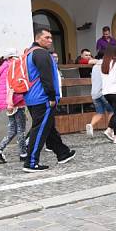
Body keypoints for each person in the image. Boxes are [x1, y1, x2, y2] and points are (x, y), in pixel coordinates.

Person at [23, 28, 76, 172]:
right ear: (38, 38)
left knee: (48, 127)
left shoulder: (28, 53)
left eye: (51, 38)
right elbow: (47, 78)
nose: (50, 40)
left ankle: (62, 153)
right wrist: (52, 97)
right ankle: (31, 162)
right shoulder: (41, 54)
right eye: (47, 37)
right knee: (40, 129)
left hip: (32, 97)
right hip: (43, 98)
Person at [0, 48, 27, 163]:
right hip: (15, 102)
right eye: (16, 57)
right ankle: (23, 154)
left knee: (13, 130)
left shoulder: (3, 67)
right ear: (11, 58)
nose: (18, 59)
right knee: (21, 129)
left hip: (9, 103)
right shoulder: (11, 67)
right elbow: (10, 86)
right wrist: (11, 102)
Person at [85, 51, 113, 138]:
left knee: (99, 112)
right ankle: (110, 130)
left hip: (94, 92)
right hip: (104, 92)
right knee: (112, 111)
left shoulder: (94, 66)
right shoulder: (106, 65)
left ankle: (91, 125)